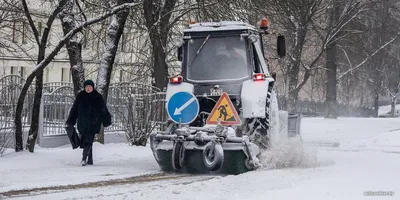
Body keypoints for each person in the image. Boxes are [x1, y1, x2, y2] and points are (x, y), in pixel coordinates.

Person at [66, 80, 112, 166]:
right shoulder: (81, 96)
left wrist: (106, 120)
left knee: (88, 141)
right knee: (86, 141)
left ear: (93, 87)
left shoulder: (97, 97)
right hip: (82, 123)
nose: (88, 88)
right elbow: (75, 109)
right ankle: (90, 160)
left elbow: (103, 109)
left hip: (93, 123)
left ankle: (83, 159)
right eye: (86, 86)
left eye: (90, 86)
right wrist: (71, 121)